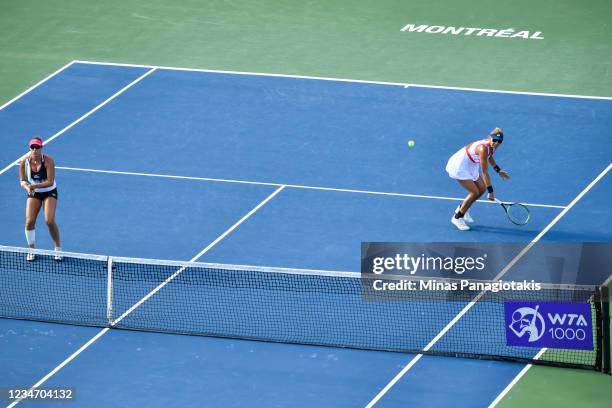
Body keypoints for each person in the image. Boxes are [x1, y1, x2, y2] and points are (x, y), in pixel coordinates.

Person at [445, 128, 510, 230]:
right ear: (490, 138)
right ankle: (457, 217)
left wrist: (498, 170)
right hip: (459, 166)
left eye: (499, 141)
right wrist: (491, 192)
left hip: (470, 165)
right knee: (474, 192)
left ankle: (463, 209)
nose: (496, 143)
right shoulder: (482, 148)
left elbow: (490, 156)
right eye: (495, 140)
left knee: (482, 189)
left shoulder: (492, 146)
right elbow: (484, 172)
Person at [18, 137, 62, 260]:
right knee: (29, 221)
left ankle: (58, 248)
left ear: (41, 148)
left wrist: (34, 186)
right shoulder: (24, 162)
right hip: (34, 192)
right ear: (29, 148)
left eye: (37, 147)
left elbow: (49, 181)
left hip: (49, 192)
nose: (35, 149)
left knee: (49, 220)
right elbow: (22, 180)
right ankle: (31, 249)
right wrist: (27, 188)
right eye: (32, 147)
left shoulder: (48, 161)